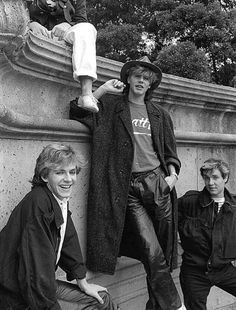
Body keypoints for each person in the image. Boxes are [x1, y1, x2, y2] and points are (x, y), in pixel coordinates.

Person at [70, 56, 185, 310]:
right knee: (151, 250)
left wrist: (172, 177)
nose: (141, 81)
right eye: (137, 76)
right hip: (128, 189)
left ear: (151, 83)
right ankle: (176, 306)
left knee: (163, 254)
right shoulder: (111, 107)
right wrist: (101, 90)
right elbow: (77, 111)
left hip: (159, 184)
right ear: (128, 79)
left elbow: (170, 153)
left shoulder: (160, 115)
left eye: (146, 78)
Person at [0, 143, 118, 310]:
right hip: (17, 297)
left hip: (36, 287)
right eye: (59, 172)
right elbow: (35, 270)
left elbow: (68, 239)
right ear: (45, 176)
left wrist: (83, 282)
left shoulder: (57, 199)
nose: (68, 179)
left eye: (72, 172)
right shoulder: (38, 204)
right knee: (97, 305)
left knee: (102, 298)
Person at [14, 0, 98, 112]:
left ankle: (87, 94)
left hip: (63, 37)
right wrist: (30, 23)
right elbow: (16, 14)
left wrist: (67, 25)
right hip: (33, 36)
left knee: (88, 29)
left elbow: (82, 21)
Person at [178, 158, 236, 310]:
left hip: (224, 269)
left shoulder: (234, 207)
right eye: (207, 178)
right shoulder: (190, 202)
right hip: (194, 271)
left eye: (215, 177)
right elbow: (166, 217)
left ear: (225, 178)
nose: (210, 182)